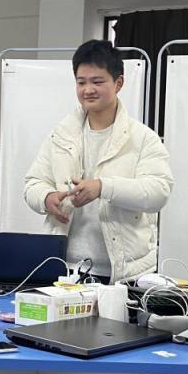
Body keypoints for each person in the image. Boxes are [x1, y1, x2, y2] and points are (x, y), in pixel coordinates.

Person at [23, 40, 174, 282]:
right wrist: (46, 198)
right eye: (81, 82)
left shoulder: (143, 138)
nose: (88, 90)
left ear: (119, 83)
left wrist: (103, 187)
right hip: (64, 270)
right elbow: (33, 183)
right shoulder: (61, 134)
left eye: (97, 82)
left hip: (123, 274)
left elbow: (158, 192)